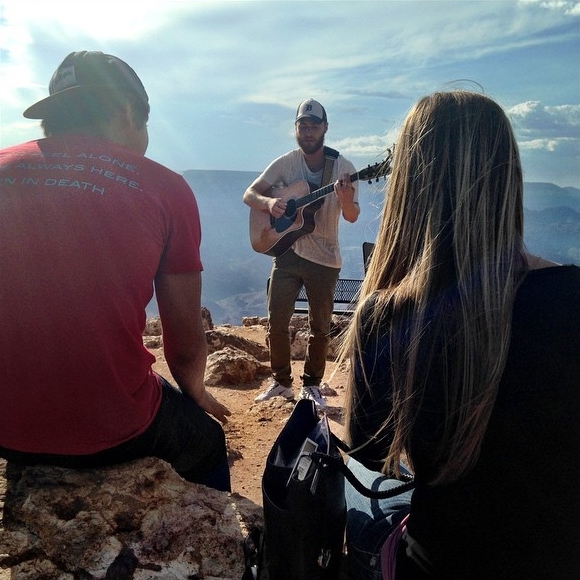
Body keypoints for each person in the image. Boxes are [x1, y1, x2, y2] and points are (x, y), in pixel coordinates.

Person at [340, 90, 579, 579]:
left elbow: (368, 449)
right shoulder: (570, 296)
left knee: (354, 489)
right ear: (508, 179)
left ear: (409, 187)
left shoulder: (385, 316)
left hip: (439, 561)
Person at [0, 51, 232, 492]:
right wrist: (196, 395)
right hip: (112, 429)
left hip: (5, 430)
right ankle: (232, 547)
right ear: (128, 112)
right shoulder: (165, 187)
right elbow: (183, 345)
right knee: (207, 442)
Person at [243, 98, 360, 408]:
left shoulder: (343, 168)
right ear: (296, 128)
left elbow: (352, 215)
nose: (308, 132)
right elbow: (249, 194)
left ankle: (312, 385)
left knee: (319, 327)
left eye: (314, 126)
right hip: (288, 251)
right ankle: (281, 382)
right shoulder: (286, 163)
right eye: (302, 126)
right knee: (276, 320)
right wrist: (269, 204)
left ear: (325, 128)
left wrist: (346, 199)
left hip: (325, 258)